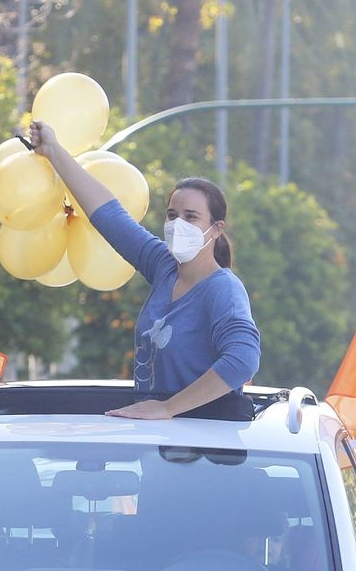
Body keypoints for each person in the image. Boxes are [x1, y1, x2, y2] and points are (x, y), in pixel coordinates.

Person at [29, 122, 260, 419]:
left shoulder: (223, 289)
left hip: (205, 449)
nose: (178, 225)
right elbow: (109, 216)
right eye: (172, 215)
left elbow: (243, 361)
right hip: (154, 442)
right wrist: (53, 151)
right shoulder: (164, 266)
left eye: (191, 217)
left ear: (216, 229)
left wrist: (168, 408)